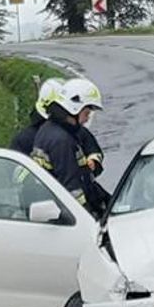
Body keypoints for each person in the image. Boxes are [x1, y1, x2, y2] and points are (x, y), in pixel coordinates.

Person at [30, 78, 107, 213]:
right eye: (86, 113)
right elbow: (71, 188)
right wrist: (89, 217)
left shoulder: (52, 129)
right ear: (75, 108)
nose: (88, 118)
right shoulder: (61, 141)